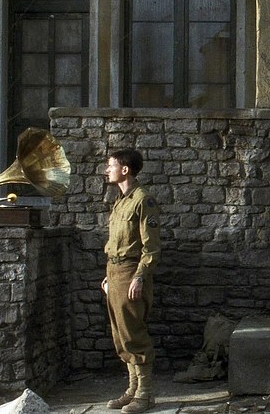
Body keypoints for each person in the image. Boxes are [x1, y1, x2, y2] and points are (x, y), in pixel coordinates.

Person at [101, 149, 161, 414]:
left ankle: (145, 395)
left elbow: (151, 248)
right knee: (120, 334)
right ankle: (133, 389)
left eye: (111, 165)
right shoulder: (120, 201)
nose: (107, 170)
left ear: (125, 169)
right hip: (115, 272)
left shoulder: (143, 200)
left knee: (134, 334)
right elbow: (118, 242)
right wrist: (109, 275)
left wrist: (139, 277)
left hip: (130, 273)